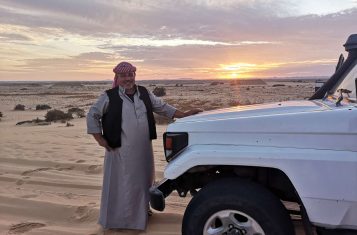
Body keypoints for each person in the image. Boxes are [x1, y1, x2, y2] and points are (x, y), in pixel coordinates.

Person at [86, 61, 202, 231]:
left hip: (143, 149)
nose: (128, 78)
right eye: (123, 75)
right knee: (123, 184)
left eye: (130, 75)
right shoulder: (109, 96)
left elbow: (162, 107)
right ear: (117, 78)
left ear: (134, 75)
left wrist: (183, 114)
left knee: (143, 182)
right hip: (120, 150)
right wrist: (99, 138)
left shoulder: (144, 93)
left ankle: (141, 214)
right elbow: (92, 115)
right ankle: (121, 221)